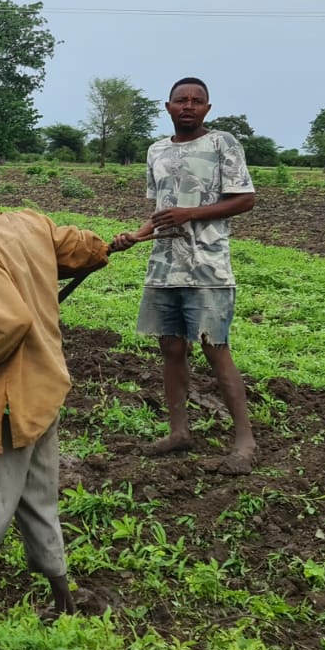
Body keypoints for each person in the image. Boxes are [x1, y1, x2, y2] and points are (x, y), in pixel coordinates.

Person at [0, 153, 128, 623]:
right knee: (37, 498)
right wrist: (112, 245)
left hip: (4, 396)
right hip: (45, 387)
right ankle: (64, 603)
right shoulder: (29, 224)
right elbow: (79, 249)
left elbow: (8, 320)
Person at [111, 77, 257, 474]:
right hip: (163, 267)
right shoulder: (156, 151)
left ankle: (244, 440)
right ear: (169, 107)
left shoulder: (222, 144)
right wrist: (138, 234)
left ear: (207, 109)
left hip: (208, 267)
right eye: (181, 100)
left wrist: (190, 214)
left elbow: (245, 199)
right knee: (171, 350)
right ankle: (179, 432)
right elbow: (162, 210)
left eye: (197, 101)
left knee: (215, 348)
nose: (188, 106)